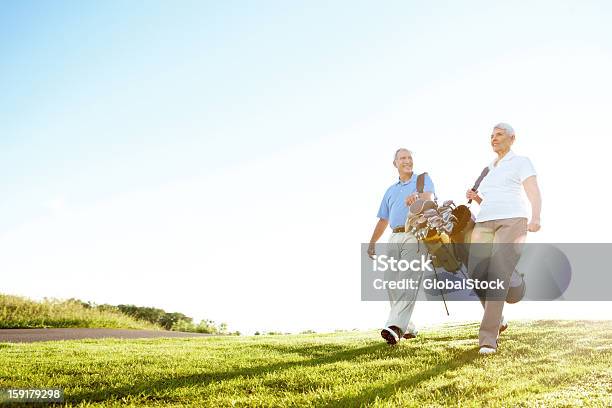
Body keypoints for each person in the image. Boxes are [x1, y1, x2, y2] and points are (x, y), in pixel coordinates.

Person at [466, 123, 542, 355]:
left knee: (497, 274)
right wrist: (477, 198)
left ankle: (488, 339)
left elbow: (533, 191)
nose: (494, 138)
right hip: (485, 220)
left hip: (513, 220)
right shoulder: (488, 169)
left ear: (512, 138)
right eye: (491, 135)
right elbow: (491, 200)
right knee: (476, 272)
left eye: (499, 134)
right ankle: (511, 283)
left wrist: (536, 216)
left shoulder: (521, 162)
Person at [368, 148, 435, 345]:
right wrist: (372, 242)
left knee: (408, 279)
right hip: (394, 236)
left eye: (409, 157)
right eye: (402, 158)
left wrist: (417, 199)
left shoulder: (422, 180)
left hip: (415, 234)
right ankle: (409, 327)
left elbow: (429, 200)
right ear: (395, 163)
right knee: (390, 280)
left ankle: (395, 327)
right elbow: (383, 219)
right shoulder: (390, 190)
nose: (407, 161)